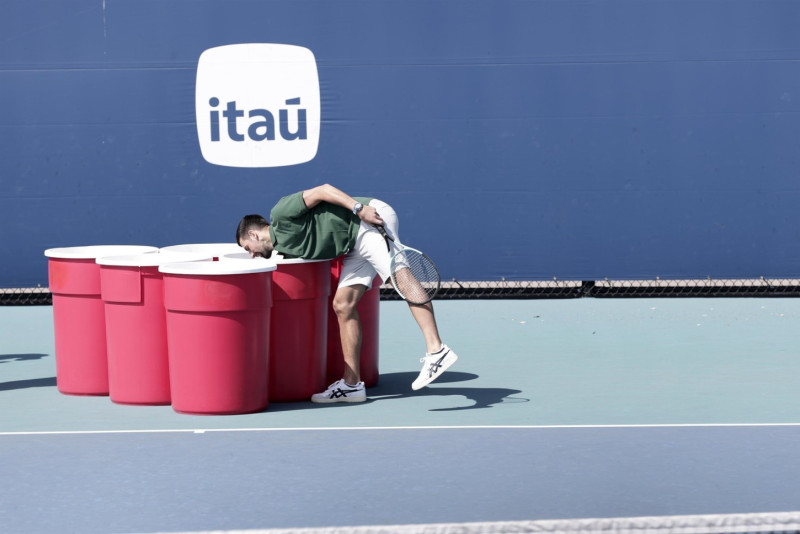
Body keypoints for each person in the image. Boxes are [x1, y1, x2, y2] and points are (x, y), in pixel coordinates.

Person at [236, 183, 458, 403]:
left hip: (368, 221)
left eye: (247, 248)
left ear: (253, 234)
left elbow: (323, 190)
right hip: (354, 243)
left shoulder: (280, 212)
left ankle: (437, 350)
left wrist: (359, 209)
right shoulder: (283, 248)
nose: (252, 255)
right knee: (343, 305)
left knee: (400, 278)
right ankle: (352, 384)